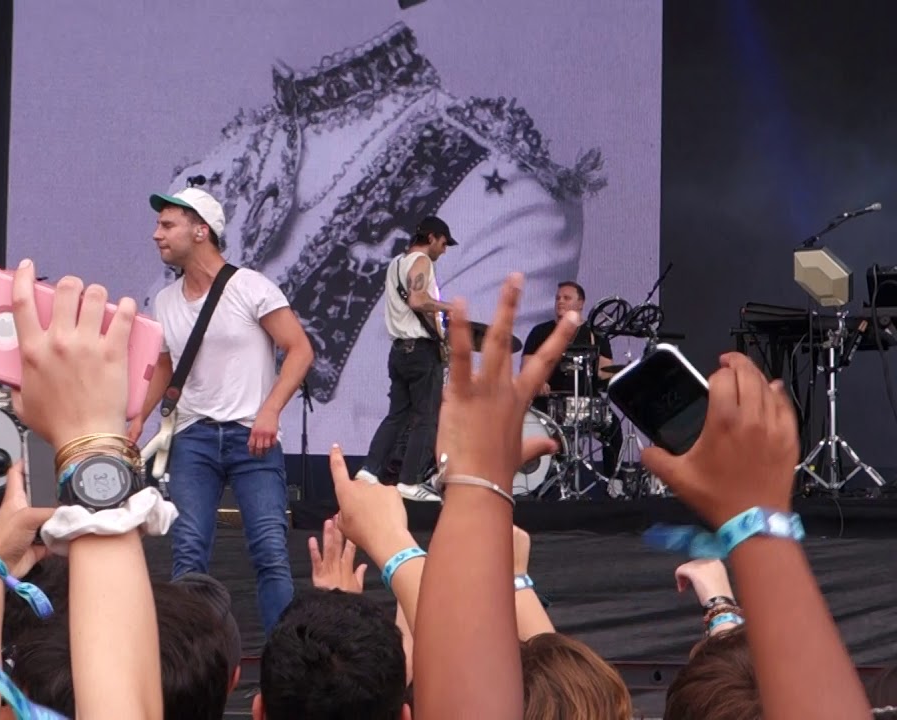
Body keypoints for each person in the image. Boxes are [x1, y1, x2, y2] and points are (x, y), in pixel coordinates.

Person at [147, 22, 604, 454]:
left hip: (322, 415)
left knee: (413, 416)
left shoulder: (504, 187)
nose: (158, 234)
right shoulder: (228, 159)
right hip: (386, 366)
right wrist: (448, 311)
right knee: (413, 413)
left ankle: (386, 474)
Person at [131, 185, 314, 634]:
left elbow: (299, 349)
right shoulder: (166, 299)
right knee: (189, 550)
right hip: (193, 436)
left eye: (167, 225)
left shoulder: (250, 286)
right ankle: (189, 664)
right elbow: (166, 363)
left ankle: (281, 669)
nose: (157, 234)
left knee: (270, 551)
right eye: (159, 224)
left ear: (200, 231)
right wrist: (136, 417)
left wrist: (270, 411)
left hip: (252, 435)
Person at [354, 216, 456, 502]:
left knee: (397, 414)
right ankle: (409, 482)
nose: (444, 250)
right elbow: (418, 300)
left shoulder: (396, 263)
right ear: (433, 237)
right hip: (421, 353)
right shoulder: (422, 261)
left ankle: (370, 470)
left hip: (399, 351)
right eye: (443, 243)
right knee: (426, 418)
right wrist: (450, 308)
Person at [521, 281, 623, 479]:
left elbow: (605, 372)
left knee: (614, 429)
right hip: (549, 402)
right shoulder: (540, 332)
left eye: (566, 298)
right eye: (558, 298)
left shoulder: (596, 335)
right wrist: (537, 382)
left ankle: (614, 482)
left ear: (581, 303)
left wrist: (617, 374)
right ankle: (541, 483)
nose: (560, 302)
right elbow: (527, 369)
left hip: (586, 403)